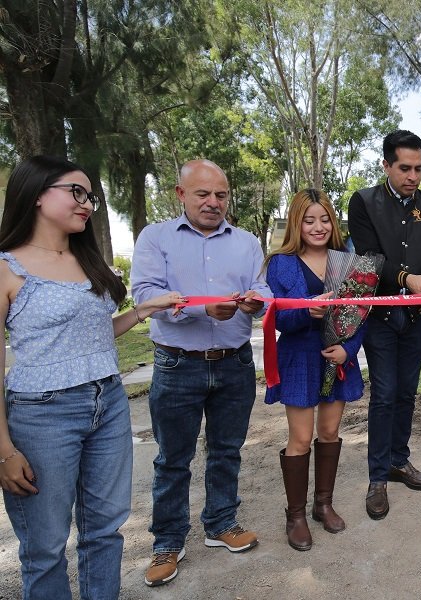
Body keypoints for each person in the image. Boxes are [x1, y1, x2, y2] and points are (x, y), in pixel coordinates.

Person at [0, 156, 181, 599]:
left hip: (109, 403)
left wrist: (143, 311)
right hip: (42, 414)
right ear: (38, 193)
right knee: (44, 547)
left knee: (104, 531)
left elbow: (95, 332)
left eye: (90, 197)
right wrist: (3, 448)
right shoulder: (7, 266)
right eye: (76, 192)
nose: (87, 204)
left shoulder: (86, 259)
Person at [131, 159, 271, 587]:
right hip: (177, 364)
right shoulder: (155, 238)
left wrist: (254, 301)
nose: (213, 203)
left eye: (221, 195)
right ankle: (168, 541)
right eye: (203, 194)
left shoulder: (246, 241)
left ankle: (220, 523)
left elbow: (264, 290)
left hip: (235, 363)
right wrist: (200, 307)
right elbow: (146, 294)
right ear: (180, 194)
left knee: (227, 450)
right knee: (172, 459)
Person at [348, 130, 421, 520]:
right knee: (384, 393)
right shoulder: (363, 202)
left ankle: (399, 460)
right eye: (405, 168)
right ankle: (377, 476)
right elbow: (368, 258)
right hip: (379, 316)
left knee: (407, 393)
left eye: (419, 168)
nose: (413, 176)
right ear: (386, 165)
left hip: (414, 318)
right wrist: (405, 279)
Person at [264, 189, 366, 550]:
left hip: (337, 358)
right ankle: (295, 516)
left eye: (324, 219)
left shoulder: (349, 260)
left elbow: (361, 313)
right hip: (299, 358)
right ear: (296, 223)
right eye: (309, 220)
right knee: (301, 437)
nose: (318, 226)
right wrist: (306, 311)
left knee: (329, 431)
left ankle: (323, 504)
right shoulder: (281, 263)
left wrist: (348, 349)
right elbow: (276, 318)